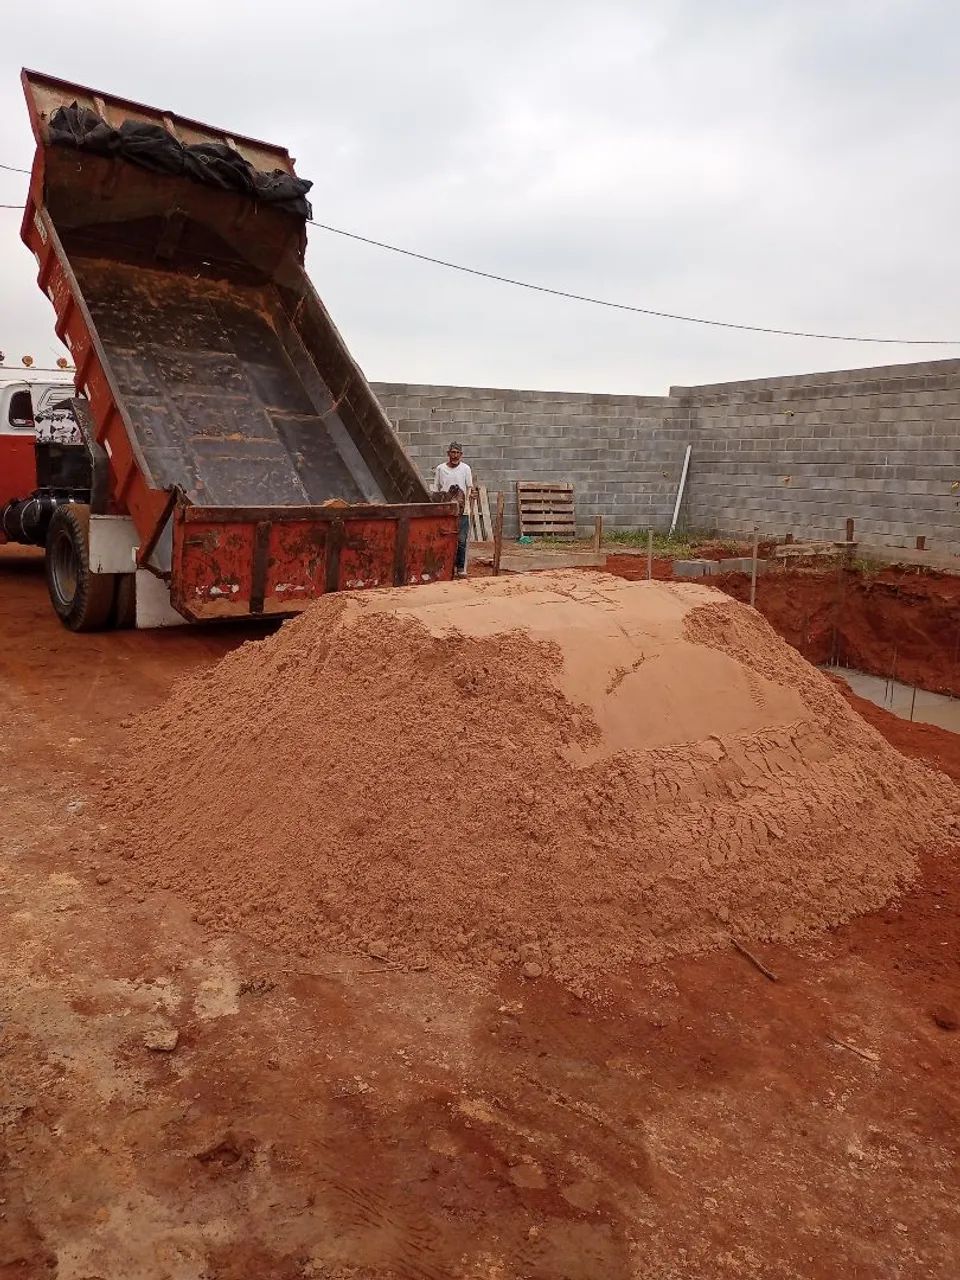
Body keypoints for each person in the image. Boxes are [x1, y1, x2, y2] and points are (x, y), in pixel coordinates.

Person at [432, 441, 473, 578]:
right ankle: (442, 566)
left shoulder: (466, 469)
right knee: (443, 538)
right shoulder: (440, 469)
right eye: (452, 452)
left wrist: (470, 499)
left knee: (461, 540)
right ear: (448, 454)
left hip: (462, 511)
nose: (455, 455)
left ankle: (460, 568)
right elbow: (437, 489)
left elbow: (470, 488)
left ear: (461, 455)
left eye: (457, 453)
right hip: (445, 511)